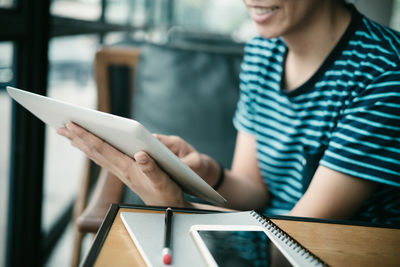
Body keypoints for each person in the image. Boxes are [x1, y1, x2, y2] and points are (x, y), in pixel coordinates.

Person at [57, 0, 400, 225]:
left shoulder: (385, 72)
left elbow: (300, 241)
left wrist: (180, 209)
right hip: (267, 238)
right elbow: (255, 190)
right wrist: (207, 172)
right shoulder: (263, 52)